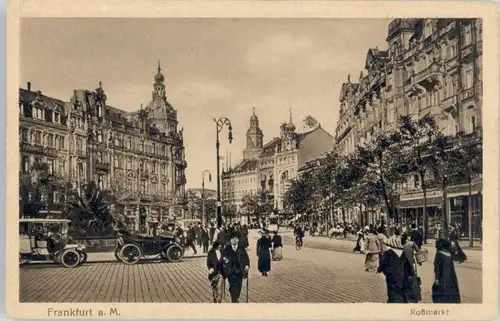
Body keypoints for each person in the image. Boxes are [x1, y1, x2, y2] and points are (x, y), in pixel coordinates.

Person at [377, 235, 418, 303]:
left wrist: (381, 269)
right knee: (402, 293)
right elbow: (409, 266)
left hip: (392, 277)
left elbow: (382, 265)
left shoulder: (387, 253)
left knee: (393, 293)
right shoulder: (405, 252)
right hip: (403, 277)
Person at [221, 231, 250, 303]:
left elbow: (246, 258)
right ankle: (234, 300)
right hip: (230, 272)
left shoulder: (241, 248)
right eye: (232, 238)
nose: (234, 240)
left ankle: (235, 297)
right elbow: (222, 259)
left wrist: (247, 265)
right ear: (230, 240)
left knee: (238, 286)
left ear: (238, 239)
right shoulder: (226, 249)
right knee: (233, 286)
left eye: (236, 238)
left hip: (240, 271)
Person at [432, 238, 461, 303]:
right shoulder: (449, 254)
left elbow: (437, 268)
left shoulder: (439, 254)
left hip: (442, 277)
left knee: (441, 292)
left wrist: (436, 279)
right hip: (451, 277)